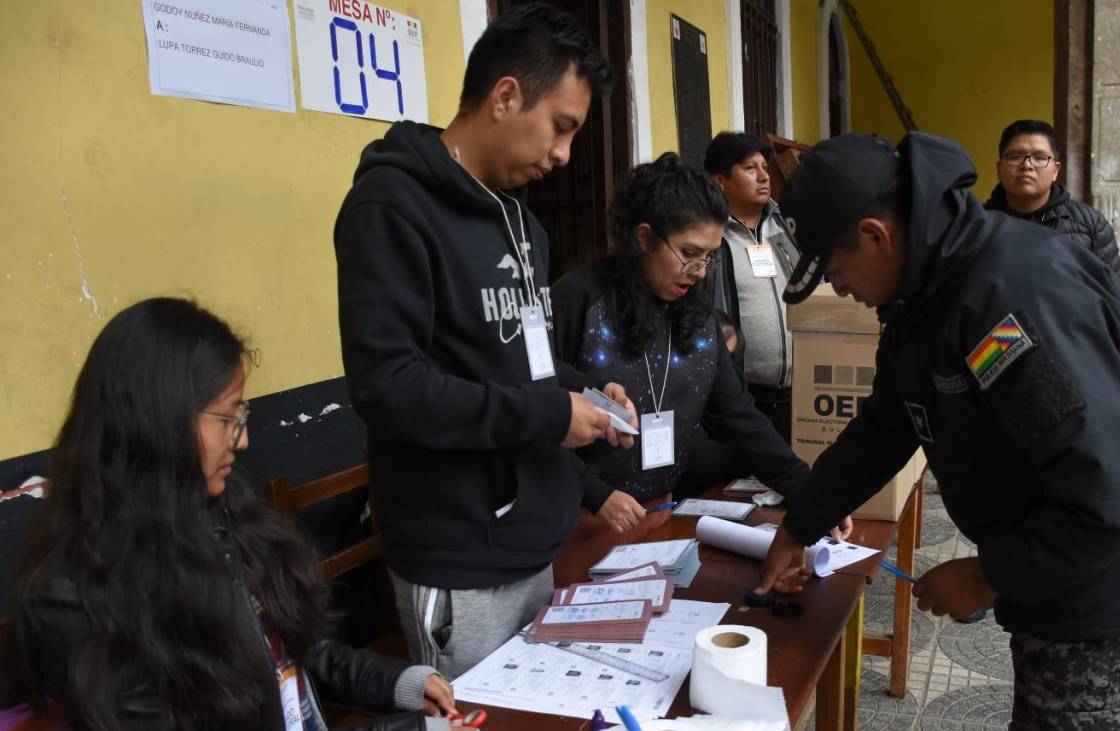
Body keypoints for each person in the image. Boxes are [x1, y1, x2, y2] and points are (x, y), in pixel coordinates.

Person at [756, 133, 1120, 729]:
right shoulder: (929, 287)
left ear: (877, 235)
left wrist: (985, 576)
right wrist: (801, 523)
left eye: (837, 270)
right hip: (1068, 584)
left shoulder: (1013, 300)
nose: (839, 289)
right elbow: (888, 425)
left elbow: (1112, 501)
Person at [333, 3, 633, 679]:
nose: (563, 154)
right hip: (458, 557)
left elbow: (525, 358)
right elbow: (389, 386)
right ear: (505, 96)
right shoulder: (391, 207)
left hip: (533, 542)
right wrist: (551, 413)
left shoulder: (524, 227)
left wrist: (583, 390)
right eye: (561, 127)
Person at [0, 298, 458, 731]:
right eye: (227, 419)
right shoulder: (76, 600)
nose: (242, 441)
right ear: (158, 423)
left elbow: (287, 651)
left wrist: (397, 685)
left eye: (243, 415)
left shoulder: (218, 513)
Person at [550, 153, 814, 534]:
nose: (698, 271)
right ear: (644, 238)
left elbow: (737, 415)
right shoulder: (578, 299)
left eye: (709, 257)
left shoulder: (698, 314)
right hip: (576, 517)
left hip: (662, 513)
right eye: (688, 253)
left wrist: (807, 490)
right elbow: (535, 408)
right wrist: (592, 491)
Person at [702, 132, 802, 443]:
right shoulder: (709, 240)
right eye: (750, 168)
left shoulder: (788, 226)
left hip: (800, 396)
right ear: (721, 180)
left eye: (764, 167)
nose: (763, 176)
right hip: (742, 400)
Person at [984, 119, 1120, 275]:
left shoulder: (1091, 225)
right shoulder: (977, 224)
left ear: (1055, 170)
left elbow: (1111, 295)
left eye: (1040, 158)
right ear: (999, 168)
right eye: (1015, 157)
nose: (1027, 165)